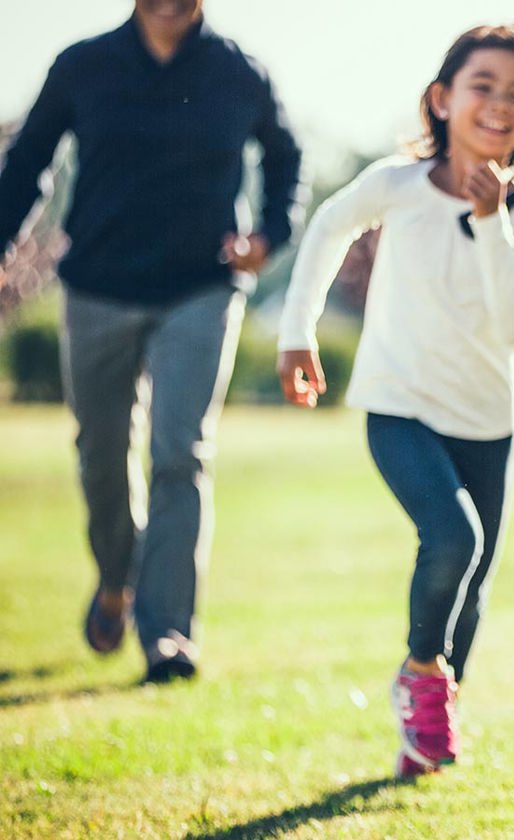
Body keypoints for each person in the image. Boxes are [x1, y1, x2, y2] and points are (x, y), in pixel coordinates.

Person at [276, 23, 514, 779]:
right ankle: (419, 675)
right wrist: (297, 333)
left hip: (488, 420)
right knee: (452, 539)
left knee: (472, 586)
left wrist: (491, 220)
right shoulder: (395, 186)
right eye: (482, 85)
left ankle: (427, 728)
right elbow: (327, 229)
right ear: (441, 99)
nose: (499, 103)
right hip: (398, 404)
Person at [0, 0, 304, 684]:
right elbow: (26, 164)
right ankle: (117, 579)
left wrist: (268, 235)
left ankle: (167, 633)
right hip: (98, 289)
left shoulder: (239, 73)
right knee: (100, 454)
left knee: (179, 453)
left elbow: (287, 160)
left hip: (201, 288)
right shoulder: (83, 66)